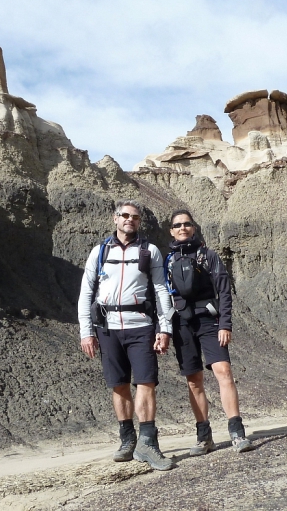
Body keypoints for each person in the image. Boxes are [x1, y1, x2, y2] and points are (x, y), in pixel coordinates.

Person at [77, 200, 176, 470]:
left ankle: (148, 443)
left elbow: (160, 291)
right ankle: (127, 439)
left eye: (134, 217)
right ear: (115, 218)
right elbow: (86, 292)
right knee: (118, 384)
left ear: (139, 222)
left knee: (146, 382)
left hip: (141, 325)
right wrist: (87, 331)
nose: (129, 220)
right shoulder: (99, 252)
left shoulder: (150, 251)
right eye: (124, 215)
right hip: (107, 328)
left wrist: (164, 327)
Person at [164, 209, 254, 454]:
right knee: (194, 381)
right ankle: (204, 437)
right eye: (177, 225)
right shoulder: (168, 261)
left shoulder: (209, 255)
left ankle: (237, 432)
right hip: (182, 324)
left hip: (209, 321)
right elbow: (162, 295)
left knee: (223, 371)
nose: (182, 228)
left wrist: (225, 324)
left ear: (194, 227)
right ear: (171, 231)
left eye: (187, 224)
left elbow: (224, 291)